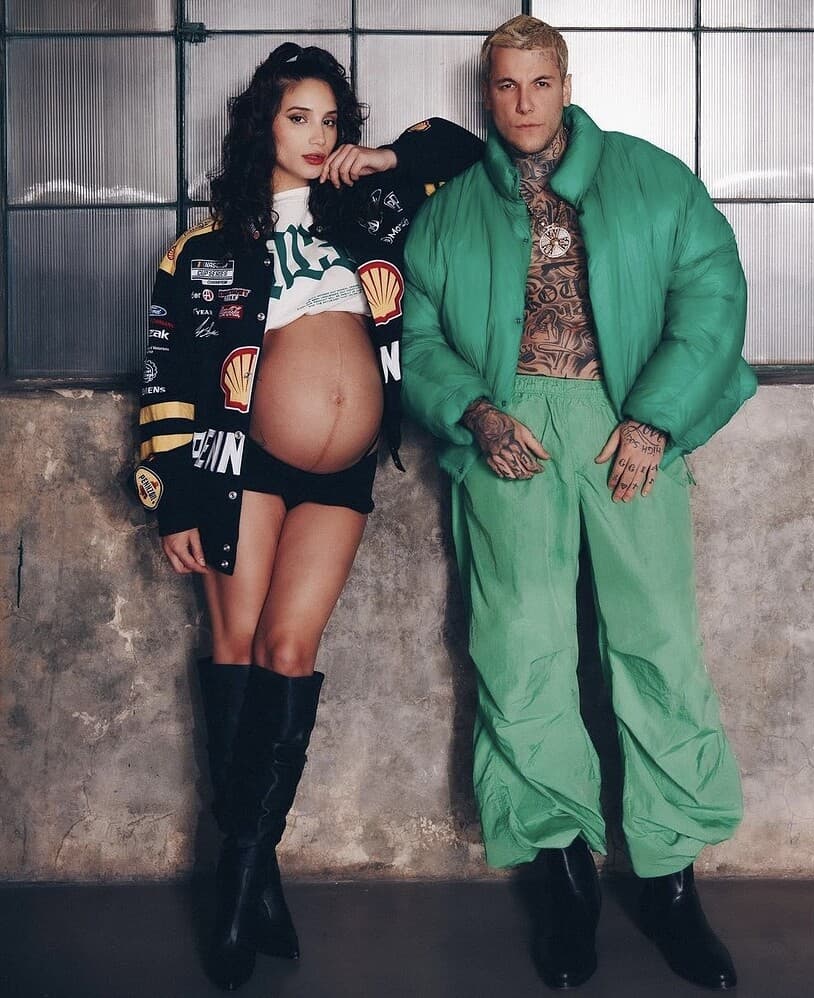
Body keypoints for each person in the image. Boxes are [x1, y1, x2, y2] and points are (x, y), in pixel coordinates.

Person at [401, 15, 756, 992]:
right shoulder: (448, 212)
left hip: (625, 418)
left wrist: (655, 420)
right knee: (520, 646)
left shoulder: (653, 178)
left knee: (657, 640)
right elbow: (416, 334)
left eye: (539, 83)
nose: (522, 103)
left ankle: (671, 881)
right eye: (504, 85)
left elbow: (712, 295)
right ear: (487, 93)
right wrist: (475, 412)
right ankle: (562, 880)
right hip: (507, 426)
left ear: (566, 83)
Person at [132, 43, 481, 990]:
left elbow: (469, 152)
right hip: (236, 464)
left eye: (332, 120)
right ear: (263, 126)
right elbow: (167, 376)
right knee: (238, 647)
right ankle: (244, 886)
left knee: (291, 651)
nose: (319, 135)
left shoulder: (368, 213)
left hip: (343, 474)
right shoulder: (203, 251)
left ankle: (245, 871)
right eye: (300, 118)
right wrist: (173, 500)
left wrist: (388, 157)